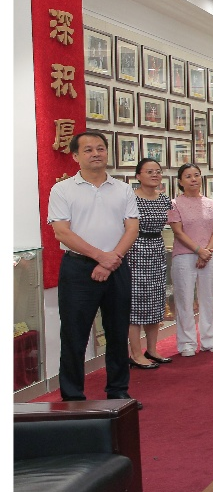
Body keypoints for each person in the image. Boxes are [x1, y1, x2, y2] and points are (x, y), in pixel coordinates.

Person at [47, 130, 140, 406]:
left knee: (117, 331)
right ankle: (73, 397)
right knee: (74, 335)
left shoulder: (123, 189)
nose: (95, 154)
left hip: (117, 267)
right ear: (76, 156)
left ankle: (118, 392)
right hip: (78, 269)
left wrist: (111, 260)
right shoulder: (62, 189)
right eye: (88, 150)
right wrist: (101, 257)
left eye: (100, 148)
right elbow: (62, 232)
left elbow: (132, 229)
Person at [168, 164, 213, 357]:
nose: (193, 179)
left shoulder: (211, 203)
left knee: (207, 298)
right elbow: (178, 232)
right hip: (184, 255)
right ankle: (187, 343)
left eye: (196, 175)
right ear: (180, 181)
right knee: (184, 299)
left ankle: (210, 339)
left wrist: (206, 252)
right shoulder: (175, 204)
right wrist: (199, 251)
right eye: (188, 176)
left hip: (210, 254)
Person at [126, 158, 173, 369]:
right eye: (149, 171)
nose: (155, 175)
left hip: (157, 250)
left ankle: (152, 349)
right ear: (138, 176)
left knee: (155, 302)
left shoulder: (164, 200)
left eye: (158, 171)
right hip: (135, 251)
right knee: (135, 305)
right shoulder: (130, 198)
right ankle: (136, 354)